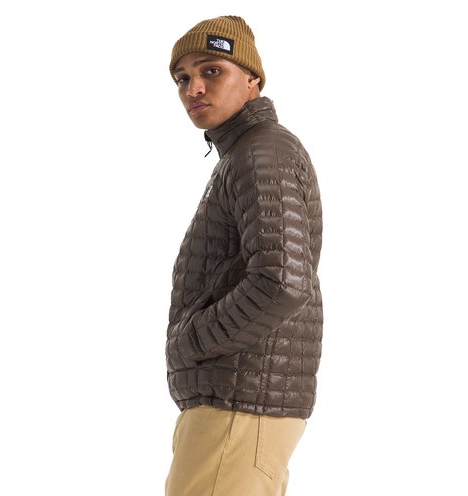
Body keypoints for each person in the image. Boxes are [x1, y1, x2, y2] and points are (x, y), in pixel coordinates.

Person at [164, 15, 323, 496]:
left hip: (237, 407)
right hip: (239, 405)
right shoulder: (246, 154)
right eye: (182, 78)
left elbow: (282, 282)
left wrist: (192, 342)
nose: (193, 88)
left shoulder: (261, 152)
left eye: (212, 71)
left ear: (252, 79)